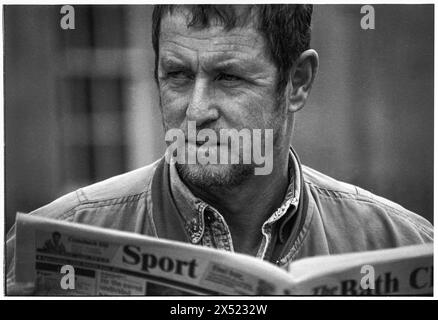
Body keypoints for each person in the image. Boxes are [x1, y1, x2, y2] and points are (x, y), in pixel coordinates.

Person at [6, 4, 433, 294]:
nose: (196, 110)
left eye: (229, 78)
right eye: (176, 75)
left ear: (298, 82)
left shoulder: (403, 244)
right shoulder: (49, 242)